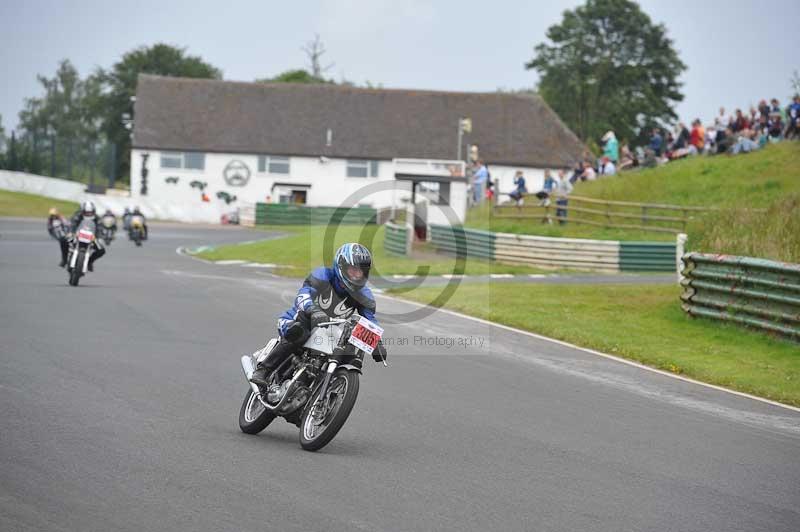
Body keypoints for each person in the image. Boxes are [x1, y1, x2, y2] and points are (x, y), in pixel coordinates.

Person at [249, 243, 386, 389]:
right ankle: (264, 370)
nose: (357, 275)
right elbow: (303, 295)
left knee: (349, 351)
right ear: (341, 266)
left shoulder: (364, 295)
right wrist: (313, 310)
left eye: (361, 272)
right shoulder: (323, 275)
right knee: (300, 331)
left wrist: (376, 342)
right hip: (296, 320)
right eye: (353, 270)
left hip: (330, 332)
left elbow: (369, 320)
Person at [69, 201, 106, 271]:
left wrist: (100, 237)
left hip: (91, 237)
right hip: (77, 235)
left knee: (101, 250)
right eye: (86, 212)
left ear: (94, 211)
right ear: (82, 211)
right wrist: (71, 232)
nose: (89, 214)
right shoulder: (77, 216)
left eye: (90, 212)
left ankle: (89, 262)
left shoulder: (97, 219)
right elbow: (72, 224)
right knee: (63, 241)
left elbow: (100, 228)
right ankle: (64, 259)